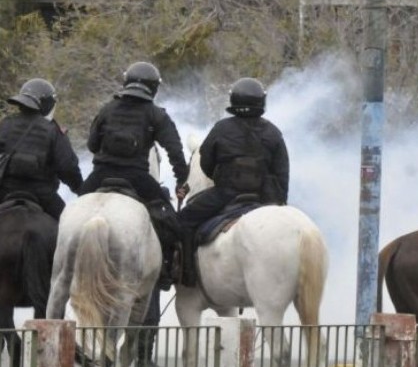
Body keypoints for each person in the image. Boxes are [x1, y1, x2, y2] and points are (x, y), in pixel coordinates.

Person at [80, 61, 189, 290]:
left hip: (101, 174)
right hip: (138, 178)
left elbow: (91, 145)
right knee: (170, 222)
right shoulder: (156, 114)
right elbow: (175, 152)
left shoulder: (107, 109)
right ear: (153, 88)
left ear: (126, 81)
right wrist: (181, 179)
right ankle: (166, 272)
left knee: (70, 213)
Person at [178, 77, 289, 286]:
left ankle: (187, 276)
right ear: (261, 101)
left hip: (225, 194)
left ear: (233, 100)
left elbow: (206, 164)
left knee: (184, 220)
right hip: (265, 198)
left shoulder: (221, 128)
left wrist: (221, 179)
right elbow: (282, 174)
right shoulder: (274, 133)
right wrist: (279, 203)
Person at [0, 78, 83, 218]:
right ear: (46, 104)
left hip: (5, 191)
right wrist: (80, 188)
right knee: (66, 224)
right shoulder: (53, 131)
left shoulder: (6, 124)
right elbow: (67, 167)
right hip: (42, 196)